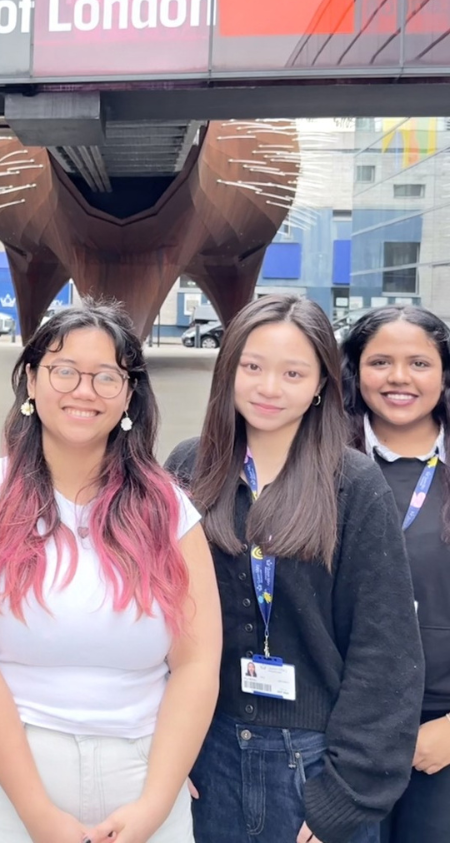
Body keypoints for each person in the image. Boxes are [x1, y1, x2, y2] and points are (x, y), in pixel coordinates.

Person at [0, 300, 221, 843]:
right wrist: (37, 813)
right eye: (64, 371)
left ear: (129, 395)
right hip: (8, 787)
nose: (83, 391)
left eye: (106, 377)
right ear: (32, 381)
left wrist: (156, 803)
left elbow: (197, 663)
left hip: (142, 777)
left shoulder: (168, 507)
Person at [165, 294, 424, 843]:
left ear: (321, 384)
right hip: (205, 751)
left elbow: (386, 649)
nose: (269, 388)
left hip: (314, 761)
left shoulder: (353, 484)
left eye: (292, 373)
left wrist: (345, 796)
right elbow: (157, 615)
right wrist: (164, 746)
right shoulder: (189, 467)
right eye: (252, 367)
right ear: (228, 369)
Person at [339, 305, 450, 841]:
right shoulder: (318, 462)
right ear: (355, 371)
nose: (399, 378)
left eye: (419, 363)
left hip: (441, 731)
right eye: (380, 362)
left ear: (444, 374)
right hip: (342, 730)